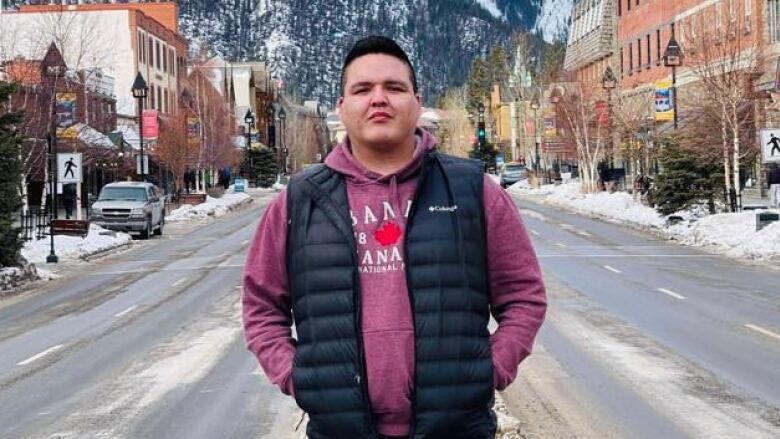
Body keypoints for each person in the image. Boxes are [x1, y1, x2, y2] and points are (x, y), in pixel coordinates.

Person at [242, 36, 547, 439]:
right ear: (342, 107)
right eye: (363, 89)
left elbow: (524, 295)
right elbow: (261, 306)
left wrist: (490, 370)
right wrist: (300, 378)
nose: (379, 98)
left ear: (417, 104)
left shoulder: (473, 190)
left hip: (457, 429)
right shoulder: (298, 201)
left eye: (395, 88)